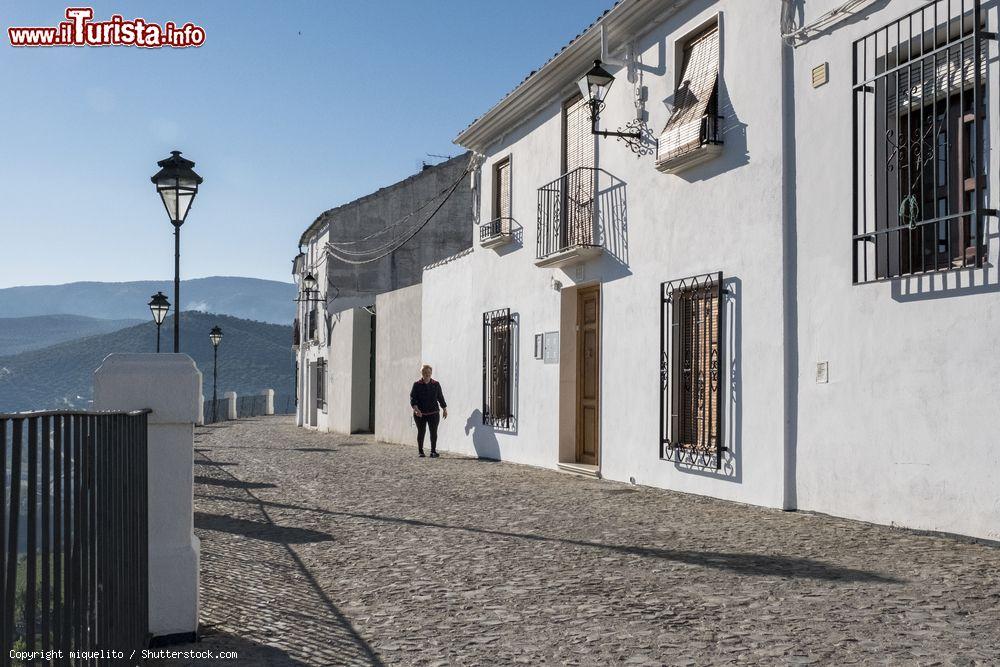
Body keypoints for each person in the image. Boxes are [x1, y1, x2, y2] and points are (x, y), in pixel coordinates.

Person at [410, 364, 447, 457]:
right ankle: (420, 451)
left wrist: (444, 409)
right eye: (424, 372)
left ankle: (433, 451)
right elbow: (413, 398)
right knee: (421, 431)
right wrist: (416, 409)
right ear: (421, 373)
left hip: (433, 413)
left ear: (431, 373)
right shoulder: (417, 385)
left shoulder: (436, 384)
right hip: (420, 413)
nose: (427, 374)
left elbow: (440, 397)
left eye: (428, 373)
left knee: (433, 432)